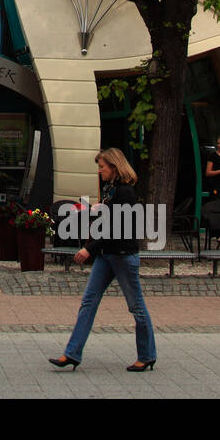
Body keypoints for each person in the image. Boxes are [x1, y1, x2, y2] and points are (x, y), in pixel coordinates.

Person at [49, 147, 157, 372]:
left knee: (136, 306)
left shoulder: (125, 192)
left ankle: (147, 355)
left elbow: (115, 228)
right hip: (106, 255)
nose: (99, 172)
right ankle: (72, 353)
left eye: (102, 167)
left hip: (122, 256)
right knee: (88, 302)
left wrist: (89, 249)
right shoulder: (112, 189)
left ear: (115, 167)